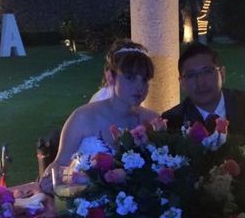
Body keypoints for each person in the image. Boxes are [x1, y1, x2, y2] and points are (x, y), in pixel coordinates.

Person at [40, 39, 159, 192]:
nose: (140, 87)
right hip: (87, 207)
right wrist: (49, 182)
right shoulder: (83, 117)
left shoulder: (152, 120)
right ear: (110, 77)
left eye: (144, 79)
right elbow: (59, 164)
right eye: (130, 77)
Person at [162, 42, 245, 174]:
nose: (200, 82)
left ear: (222, 74)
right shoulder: (172, 121)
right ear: (182, 83)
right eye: (191, 75)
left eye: (207, 72)